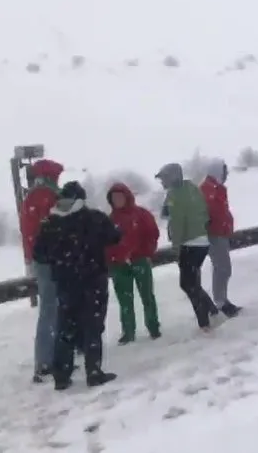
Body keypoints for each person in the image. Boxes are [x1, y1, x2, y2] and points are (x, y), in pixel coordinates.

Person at [33, 181, 120, 390]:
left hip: (64, 283)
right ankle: (93, 371)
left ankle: (61, 376)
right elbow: (114, 237)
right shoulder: (93, 218)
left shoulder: (49, 222)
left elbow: (39, 254)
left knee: (65, 328)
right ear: (81, 198)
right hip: (93, 279)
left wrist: (60, 258)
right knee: (93, 325)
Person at [155, 163, 222, 331]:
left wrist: (176, 248)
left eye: (163, 178)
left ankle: (204, 321)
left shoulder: (174, 195)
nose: (162, 182)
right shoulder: (192, 188)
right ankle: (212, 311)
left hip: (188, 243)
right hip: (201, 241)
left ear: (172, 177)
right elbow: (204, 213)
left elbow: (178, 223)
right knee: (192, 282)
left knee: (188, 284)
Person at [19, 158, 64, 383]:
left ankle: (50, 358)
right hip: (51, 260)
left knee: (51, 307)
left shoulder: (31, 196)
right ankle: (47, 360)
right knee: (51, 308)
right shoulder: (46, 195)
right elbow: (57, 227)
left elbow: (29, 231)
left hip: (40, 259)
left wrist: (30, 257)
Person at [106, 182, 162, 344]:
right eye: (114, 198)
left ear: (127, 197)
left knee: (147, 296)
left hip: (140, 261)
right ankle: (128, 331)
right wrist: (113, 258)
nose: (117, 200)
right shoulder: (110, 220)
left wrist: (146, 252)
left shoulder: (141, 214)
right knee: (125, 300)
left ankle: (153, 326)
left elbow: (152, 234)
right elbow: (105, 244)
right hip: (119, 265)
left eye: (120, 197)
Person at [201, 158, 242, 317]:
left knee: (223, 268)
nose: (226, 175)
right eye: (224, 172)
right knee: (222, 268)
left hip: (220, 232)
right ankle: (221, 301)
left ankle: (222, 299)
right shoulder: (207, 190)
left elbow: (221, 210)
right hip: (213, 234)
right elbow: (211, 212)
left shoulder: (217, 188)